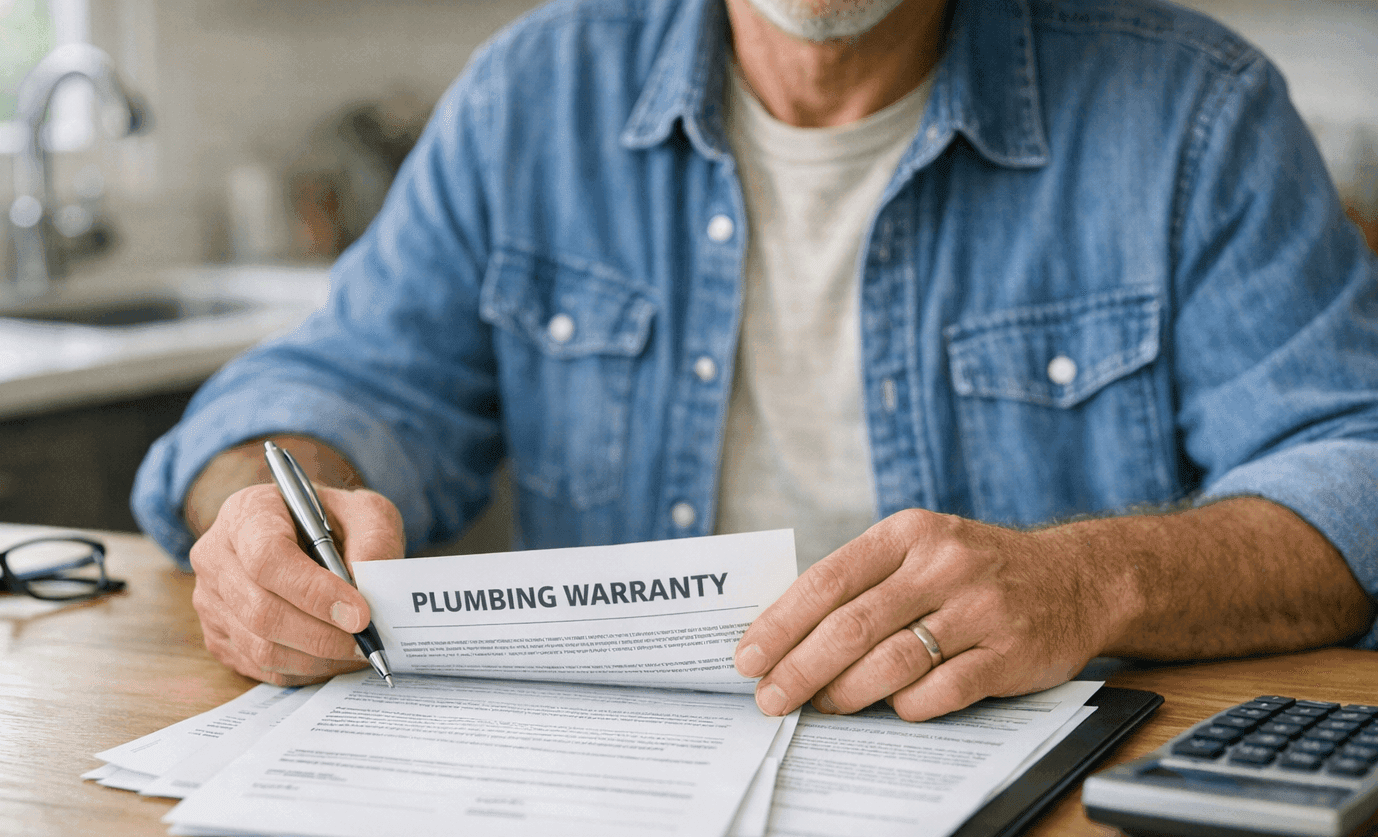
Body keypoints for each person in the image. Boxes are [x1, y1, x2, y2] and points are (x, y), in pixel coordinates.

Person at [134, 0, 1378, 722]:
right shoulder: (530, 95)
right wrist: (258, 506)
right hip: (615, 810)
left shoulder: (1195, 111)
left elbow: (1354, 470)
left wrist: (1092, 580)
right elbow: (338, 383)